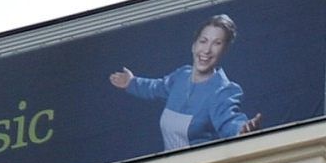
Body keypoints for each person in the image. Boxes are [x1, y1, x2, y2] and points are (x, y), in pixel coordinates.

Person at [108, 15, 260, 150]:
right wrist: (132, 82)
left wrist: (241, 130)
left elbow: (229, 120)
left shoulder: (223, 91)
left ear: (224, 50)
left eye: (217, 43)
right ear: (193, 46)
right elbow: (157, 87)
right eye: (203, 41)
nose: (207, 50)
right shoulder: (181, 76)